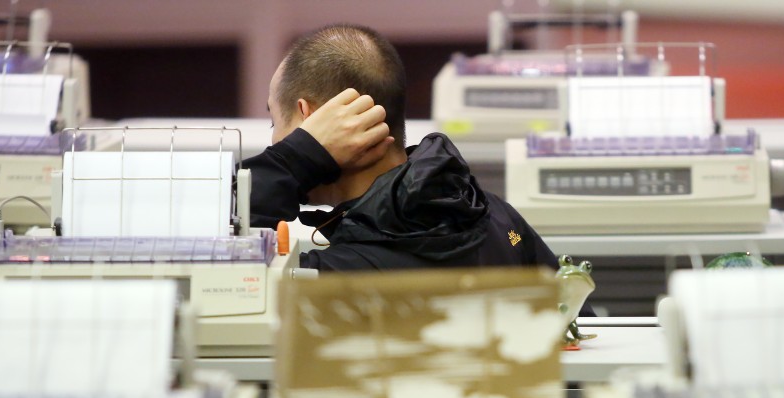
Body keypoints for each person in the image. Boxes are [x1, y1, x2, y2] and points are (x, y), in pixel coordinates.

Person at [244, 23, 571, 275]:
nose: (277, 140)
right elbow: (574, 320)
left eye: (276, 122)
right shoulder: (499, 219)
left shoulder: (330, 273)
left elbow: (223, 274)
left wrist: (296, 158)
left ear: (311, 119)